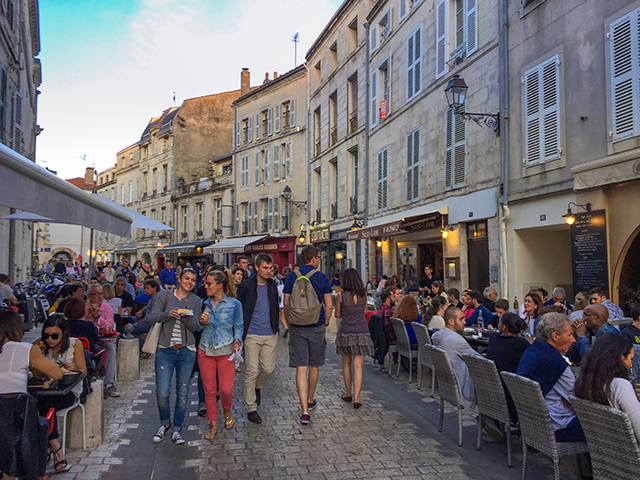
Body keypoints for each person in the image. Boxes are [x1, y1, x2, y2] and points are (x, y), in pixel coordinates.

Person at [0, 311, 66, 471]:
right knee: (43, 412)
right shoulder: (25, 348)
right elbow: (57, 374)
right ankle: (57, 452)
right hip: (17, 420)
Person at [148, 268, 202, 445]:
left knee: (183, 393)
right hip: (165, 349)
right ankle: (165, 423)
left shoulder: (196, 300)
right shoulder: (164, 296)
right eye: (186, 278)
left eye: (193, 280)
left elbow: (196, 328)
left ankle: (177, 428)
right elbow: (151, 318)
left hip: (187, 350)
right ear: (179, 279)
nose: (189, 282)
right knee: (162, 392)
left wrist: (186, 318)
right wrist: (167, 314)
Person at [283, 245, 333, 424]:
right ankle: (311, 400)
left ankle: (304, 411)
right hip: (316, 325)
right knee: (314, 366)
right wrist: (325, 322)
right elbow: (329, 305)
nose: (319, 260)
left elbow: (286, 303)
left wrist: (289, 323)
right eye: (318, 257)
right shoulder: (322, 278)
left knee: (300, 368)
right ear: (313, 259)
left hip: (297, 327)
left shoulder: (291, 276)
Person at [517, 313, 585, 442]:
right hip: (556, 427)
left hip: (533, 423)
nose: (573, 340)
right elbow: (580, 399)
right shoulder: (557, 364)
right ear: (555, 336)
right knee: (607, 427)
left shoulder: (532, 351)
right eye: (570, 334)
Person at [198, 269, 243, 440]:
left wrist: (237, 341)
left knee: (226, 389)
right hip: (205, 349)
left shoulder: (234, 304)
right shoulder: (204, 302)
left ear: (219, 286)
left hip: (226, 350)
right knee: (209, 390)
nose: (206, 286)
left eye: (209, 284)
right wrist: (201, 322)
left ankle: (227, 410)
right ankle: (213, 424)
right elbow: (198, 326)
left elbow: (239, 325)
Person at [39, 315, 87, 472]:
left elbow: (83, 371)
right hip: (46, 391)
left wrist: (72, 370)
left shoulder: (75, 344)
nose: (49, 339)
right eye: (46, 335)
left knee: (44, 408)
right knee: (37, 404)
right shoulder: (39, 346)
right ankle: (55, 447)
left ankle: (52, 448)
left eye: (54, 336)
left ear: (64, 333)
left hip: (68, 391)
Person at [236, 253, 280, 424]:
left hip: (270, 333)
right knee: (251, 370)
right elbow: (240, 309)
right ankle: (251, 407)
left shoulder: (272, 284)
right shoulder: (246, 286)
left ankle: (258, 387)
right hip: (252, 334)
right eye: (265, 268)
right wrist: (239, 334)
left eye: (271, 268)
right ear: (257, 268)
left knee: (268, 369)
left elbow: (275, 306)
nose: (269, 271)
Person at [574, 333, 640, 443]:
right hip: (631, 454)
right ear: (617, 358)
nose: (631, 364)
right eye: (629, 359)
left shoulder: (585, 382)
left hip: (606, 450)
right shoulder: (620, 386)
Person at [334, 268, 374, 409]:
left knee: (346, 364)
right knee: (358, 366)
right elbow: (363, 313)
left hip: (346, 331)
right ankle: (357, 398)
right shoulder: (363, 294)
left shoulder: (340, 296)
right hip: (361, 331)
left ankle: (348, 393)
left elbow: (338, 315)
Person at [431, 307, 482, 408]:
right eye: (461, 319)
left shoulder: (439, 335)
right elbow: (480, 361)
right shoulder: (456, 340)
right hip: (464, 389)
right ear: (451, 321)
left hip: (449, 388)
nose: (465, 322)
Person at [486, 313, 529, 422]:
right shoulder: (522, 344)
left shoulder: (494, 339)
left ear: (503, 327)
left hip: (494, 392)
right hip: (513, 395)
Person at [84, 284, 119, 398]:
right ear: (89, 296)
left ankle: (109, 384)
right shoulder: (84, 308)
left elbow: (110, 327)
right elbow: (81, 324)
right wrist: (89, 315)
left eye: (101, 294)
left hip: (104, 340)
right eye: (96, 294)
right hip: (89, 341)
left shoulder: (107, 308)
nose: (99, 297)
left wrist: (98, 317)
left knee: (111, 348)